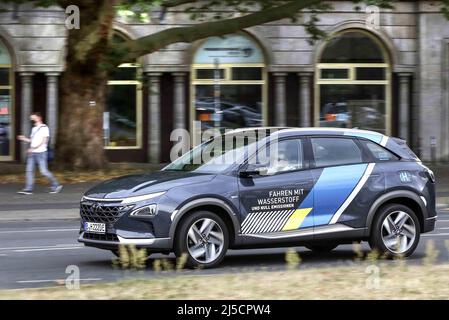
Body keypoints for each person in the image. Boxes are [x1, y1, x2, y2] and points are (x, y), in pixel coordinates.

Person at [17, 112, 62, 195]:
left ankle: (56, 185)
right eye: (32, 118)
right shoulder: (34, 129)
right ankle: (28, 189)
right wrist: (24, 139)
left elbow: (44, 141)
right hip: (32, 153)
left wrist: (33, 148)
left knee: (43, 171)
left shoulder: (44, 128)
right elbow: (32, 141)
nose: (32, 119)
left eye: (33, 117)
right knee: (29, 171)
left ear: (39, 118)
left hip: (41, 153)